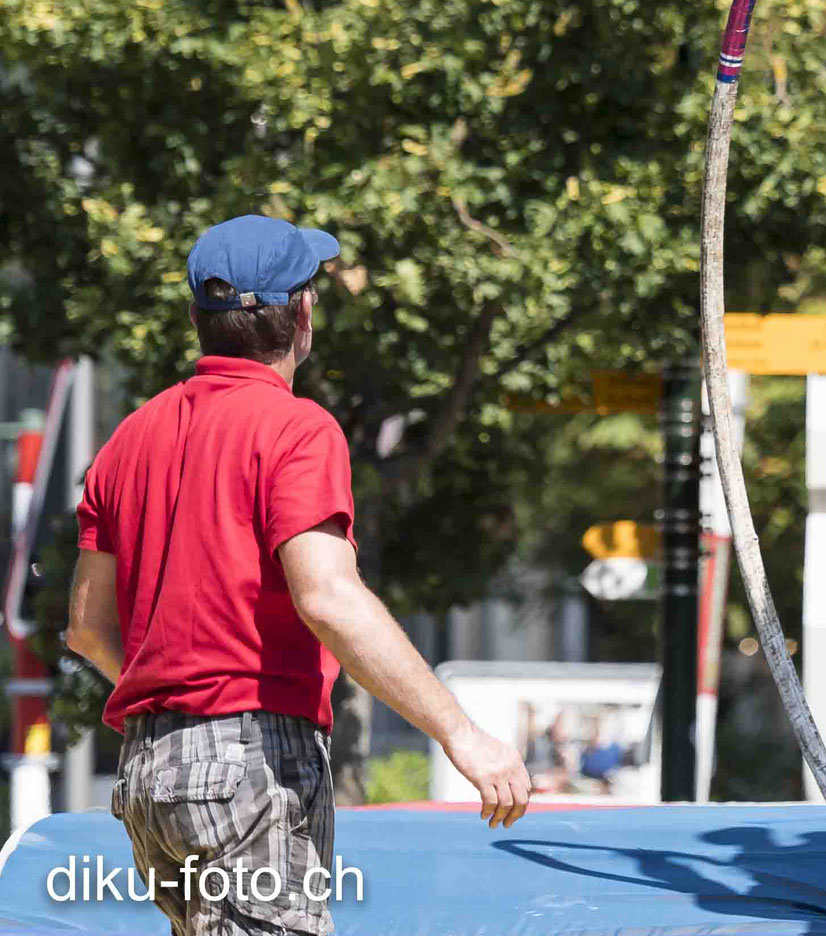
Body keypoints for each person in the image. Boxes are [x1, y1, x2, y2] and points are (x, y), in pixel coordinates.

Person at [66, 214, 532, 936]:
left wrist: (180, 700)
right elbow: (328, 597)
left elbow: (88, 629)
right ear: (303, 313)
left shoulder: (128, 438)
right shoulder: (297, 429)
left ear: (198, 318)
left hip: (150, 768)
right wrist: (462, 735)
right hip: (248, 760)